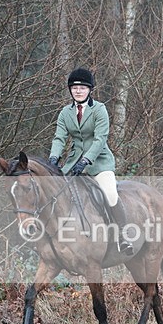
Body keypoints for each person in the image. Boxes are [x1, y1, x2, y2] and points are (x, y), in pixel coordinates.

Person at [48, 67, 134, 255]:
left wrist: (86, 160)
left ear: (90, 90)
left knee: (110, 194)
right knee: (56, 193)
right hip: (72, 163)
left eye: (82, 87)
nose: (78, 91)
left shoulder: (99, 109)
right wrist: (54, 157)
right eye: (75, 87)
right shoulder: (65, 113)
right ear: (70, 90)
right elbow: (59, 138)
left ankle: (123, 236)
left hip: (99, 162)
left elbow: (100, 138)